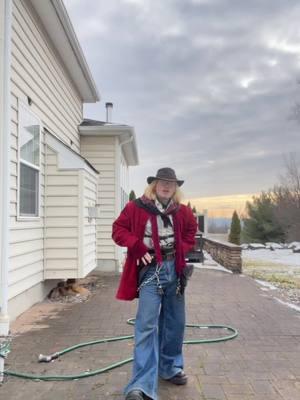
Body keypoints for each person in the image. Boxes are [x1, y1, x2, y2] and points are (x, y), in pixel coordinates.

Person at [112, 167, 198, 400]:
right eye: (163, 182)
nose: (167, 186)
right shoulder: (135, 207)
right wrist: (137, 245)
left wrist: (183, 248)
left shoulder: (181, 211)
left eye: (171, 183)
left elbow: (192, 231)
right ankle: (140, 384)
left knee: (175, 322)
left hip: (175, 271)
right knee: (147, 324)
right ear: (154, 185)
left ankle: (169, 367)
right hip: (151, 270)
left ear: (175, 188)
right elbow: (118, 230)